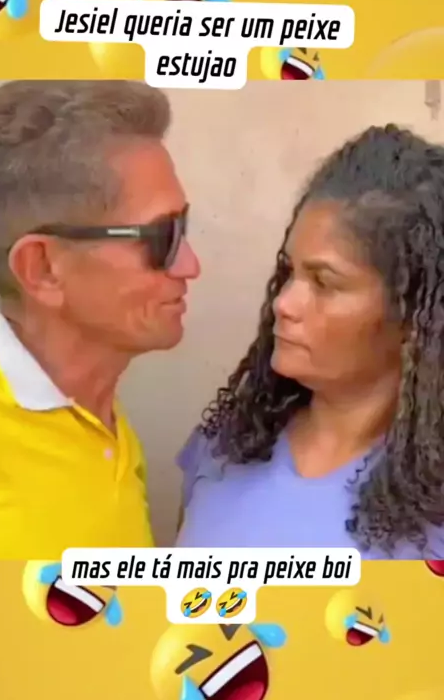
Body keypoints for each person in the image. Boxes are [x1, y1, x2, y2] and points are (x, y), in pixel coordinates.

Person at [175, 124, 444, 559]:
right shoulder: (224, 448)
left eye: (324, 283)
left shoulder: (433, 511)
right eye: (289, 272)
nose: (284, 303)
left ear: (412, 312)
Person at [0, 80, 200, 559]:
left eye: (184, 226)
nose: (190, 265)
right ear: (43, 269)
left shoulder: (109, 427)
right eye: (162, 237)